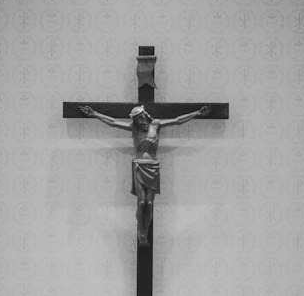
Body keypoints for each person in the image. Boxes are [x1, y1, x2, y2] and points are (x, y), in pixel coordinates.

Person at [80, 101, 211, 245]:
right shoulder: (133, 128)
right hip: (139, 165)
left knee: (149, 202)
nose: (140, 121)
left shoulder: (156, 125)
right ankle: (141, 232)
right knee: (141, 202)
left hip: (153, 166)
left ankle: (145, 231)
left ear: (146, 116)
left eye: (141, 118)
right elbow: (113, 122)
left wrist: (197, 113)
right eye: (137, 119)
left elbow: (178, 121)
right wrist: (94, 114)